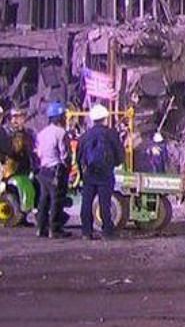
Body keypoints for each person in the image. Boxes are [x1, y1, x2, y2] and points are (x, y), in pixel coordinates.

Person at [77, 103, 126, 240]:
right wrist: (112, 164)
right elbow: (120, 155)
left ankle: (86, 232)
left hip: (89, 174)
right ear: (105, 118)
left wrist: (82, 173)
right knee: (105, 203)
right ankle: (107, 232)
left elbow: (79, 156)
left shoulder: (85, 135)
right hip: (105, 173)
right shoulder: (111, 134)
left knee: (86, 203)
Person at [34, 103, 71, 238]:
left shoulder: (41, 133)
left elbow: (38, 153)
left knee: (44, 200)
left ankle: (40, 227)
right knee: (57, 200)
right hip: (56, 170)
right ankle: (54, 229)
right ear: (59, 117)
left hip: (43, 170)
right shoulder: (61, 133)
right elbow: (64, 154)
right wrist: (67, 166)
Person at [3, 107, 35, 178]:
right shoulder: (5, 132)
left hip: (25, 167)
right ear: (10, 118)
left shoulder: (29, 133)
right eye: (15, 117)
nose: (17, 120)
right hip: (10, 169)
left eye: (20, 116)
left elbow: (31, 150)